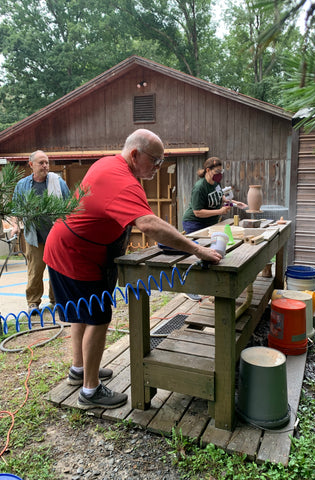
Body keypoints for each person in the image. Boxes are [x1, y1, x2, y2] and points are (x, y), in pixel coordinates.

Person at [43, 128, 222, 410]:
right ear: (136, 154)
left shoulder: (110, 164)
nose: (159, 167)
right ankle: (90, 391)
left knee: (80, 313)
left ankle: (79, 370)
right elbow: (149, 224)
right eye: (156, 161)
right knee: (97, 318)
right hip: (77, 254)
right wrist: (198, 250)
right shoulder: (123, 181)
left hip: (63, 246)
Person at [10, 150, 70, 313]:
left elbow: (69, 207)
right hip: (34, 236)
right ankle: (33, 303)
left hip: (56, 235)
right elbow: (16, 209)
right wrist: (15, 226)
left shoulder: (58, 182)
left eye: (47, 162)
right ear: (31, 165)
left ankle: (56, 300)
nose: (45, 166)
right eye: (41, 163)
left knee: (57, 270)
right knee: (35, 271)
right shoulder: (22, 185)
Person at [182, 156, 247, 300]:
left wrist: (235, 203)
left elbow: (221, 198)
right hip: (195, 223)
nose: (219, 174)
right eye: (217, 171)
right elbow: (197, 212)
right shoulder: (200, 188)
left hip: (210, 224)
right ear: (208, 170)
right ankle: (188, 287)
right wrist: (220, 212)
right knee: (196, 254)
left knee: (212, 254)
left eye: (221, 171)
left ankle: (207, 286)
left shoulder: (216, 183)